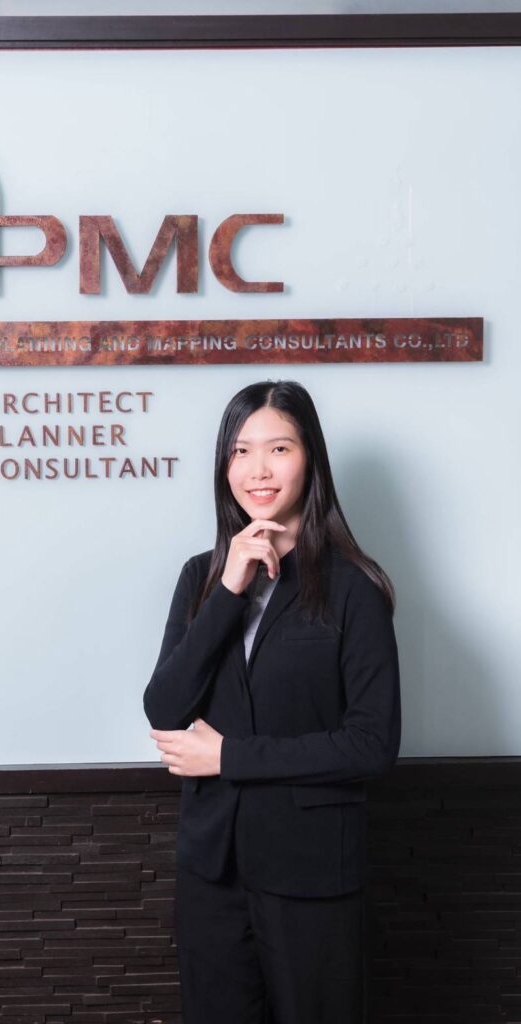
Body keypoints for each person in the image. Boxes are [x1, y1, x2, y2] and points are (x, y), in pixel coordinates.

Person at [142, 379, 401, 1024]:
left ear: (310, 459)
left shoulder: (353, 587)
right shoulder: (200, 577)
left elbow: (372, 745)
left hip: (311, 870)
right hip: (213, 871)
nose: (257, 469)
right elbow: (165, 708)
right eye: (240, 451)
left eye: (278, 448)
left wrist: (229, 757)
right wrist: (229, 590)